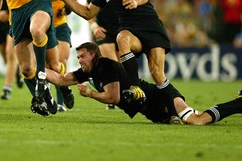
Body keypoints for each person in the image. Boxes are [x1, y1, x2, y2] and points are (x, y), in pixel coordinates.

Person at [48, 0, 180, 122]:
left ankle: (174, 113)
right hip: (130, 30)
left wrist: (136, 1)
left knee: (157, 73)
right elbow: (87, 13)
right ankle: (135, 88)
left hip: (151, 27)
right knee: (122, 38)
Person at [45, 42, 242, 125]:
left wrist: (90, 94)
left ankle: (238, 104)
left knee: (197, 121)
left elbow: (114, 97)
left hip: (159, 95)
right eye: (78, 57)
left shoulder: (106, 66)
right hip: (150, 110)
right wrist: (35, 69)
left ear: (94, 55)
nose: (79, 60)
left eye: (82, 56)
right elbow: (61, 79)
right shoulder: (88, 70)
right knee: (193, 121)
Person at [43, 0, 76, 112]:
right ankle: (62, 87)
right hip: (43, 27)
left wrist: (67, 10)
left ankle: (61, 99)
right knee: (50, 66)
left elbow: (73, 1)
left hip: (60, 25)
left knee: (60, 62)